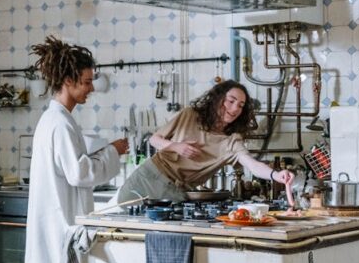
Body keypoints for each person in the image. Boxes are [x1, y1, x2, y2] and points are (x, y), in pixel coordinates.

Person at [25, 36, 129, 263]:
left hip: (54, 220)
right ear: (68, 82)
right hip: (59, 222)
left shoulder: (58, 120)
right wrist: (113, 152)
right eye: (86, 81)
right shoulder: (59, 123)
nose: (91, 88)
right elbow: (79, 173)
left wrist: (104, 151)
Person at [116, 80, 295, 204]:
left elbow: (252, 165)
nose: (234, 109)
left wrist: (276, 175)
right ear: (218, 99)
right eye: (231, 101)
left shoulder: (232, 141)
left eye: (240, 105)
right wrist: (176, 146)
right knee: (125, 229)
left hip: (177, 192)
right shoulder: (190, 115)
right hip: (149, 176)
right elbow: (154, 139)